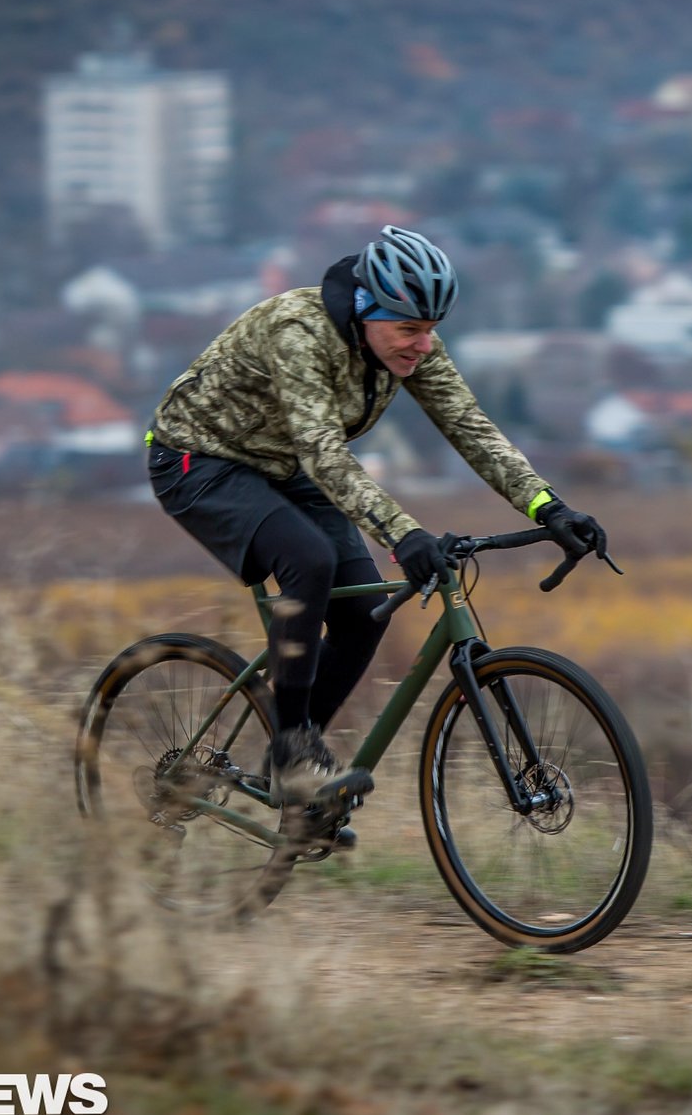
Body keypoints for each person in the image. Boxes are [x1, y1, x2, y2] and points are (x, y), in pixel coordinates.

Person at [145, 225, 607, 839]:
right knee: (308, 560)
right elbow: (324, 455)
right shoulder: (298, 331)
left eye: (432, 328)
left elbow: (472, 429)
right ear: (366, 309)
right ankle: (294, 758)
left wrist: (548, 507)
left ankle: (297, 796)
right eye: (410, 329)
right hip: (200, 460)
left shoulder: (406, 347)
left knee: (366, 615)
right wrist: (404, 533)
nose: (423, 344)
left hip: (287, 466)